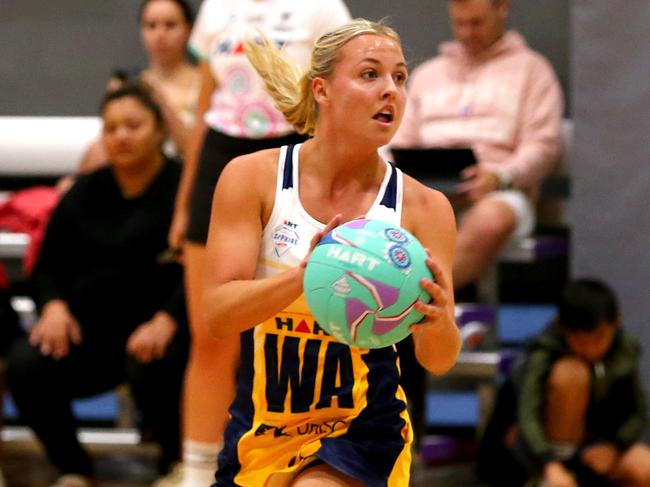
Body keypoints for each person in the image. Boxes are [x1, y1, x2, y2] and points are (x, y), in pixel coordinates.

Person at [200, 19, 461, 486]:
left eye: (399, 77)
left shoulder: (425, 207)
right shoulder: (253, 178)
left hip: (364, 430)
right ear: (321, 90)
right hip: (261, 430)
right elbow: (218, 315)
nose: (391, 91)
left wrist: (439, 323)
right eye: (370, 74)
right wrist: (305, 277)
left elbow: (439, 359)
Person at [161, 1, 351, 484]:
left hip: (294, 148)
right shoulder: (216, 8)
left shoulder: (323, 8)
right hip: (221, 155)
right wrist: (186, 202)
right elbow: (205, 109)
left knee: (293, 327)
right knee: (211, 333)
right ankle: (199, 471)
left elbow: (345, 93)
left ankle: (302, 460)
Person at [5, 82, 189, 487]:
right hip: (88, 334)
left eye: (133, 125)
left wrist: (167, 319)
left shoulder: (183, 192)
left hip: (159, 333)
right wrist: (53, 306)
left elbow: (198, 269)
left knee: (163, 363)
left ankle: (173, 467)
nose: (121, 135)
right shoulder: (84, 191)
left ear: (159, 131)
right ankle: (74, 468)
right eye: (111, 128)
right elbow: (47, 266)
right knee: (26, 364)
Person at [391, 0, 564, 291]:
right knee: (376, 212)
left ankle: (416, 301)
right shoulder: (427, 75)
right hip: (427, 191)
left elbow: (543, 146)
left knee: (491, 219)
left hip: (498, 192)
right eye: (459, 24)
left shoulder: (533, 71)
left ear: (502, 10)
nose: (467, 33)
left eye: (476, 23)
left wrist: (500, 177)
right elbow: (397, 139)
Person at [478, 278, 650, 487]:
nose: (590, 349)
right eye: (580, 340)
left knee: (644, 467)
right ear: (561, 327)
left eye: (599, 338)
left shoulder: (625, 351)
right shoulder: (542, 356)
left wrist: (615, 447)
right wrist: (548, 463)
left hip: (594, 449)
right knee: (572, 373)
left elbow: (638, 413)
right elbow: (527, 415)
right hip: (535, 456)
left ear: (616, 324)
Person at [80, 0, 200, 173]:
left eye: (170, 25)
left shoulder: (204, 86)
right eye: (151, 26)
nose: (160, 34)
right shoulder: (126, 84)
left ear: (189, 30)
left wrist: (162, 105)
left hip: (181, 178)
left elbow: (197, 153)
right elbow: (105, 148)